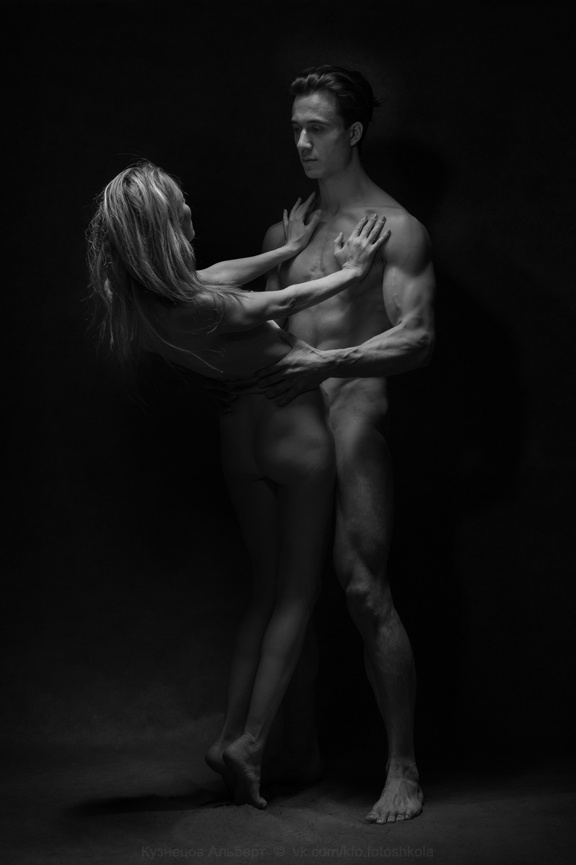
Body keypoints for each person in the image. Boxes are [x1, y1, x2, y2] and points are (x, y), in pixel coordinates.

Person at [86, 161, 390, 810]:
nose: (191, 216)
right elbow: (280, 303)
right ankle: (250, 743)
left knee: (263, 593)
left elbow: (218, 278)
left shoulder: (143, 300)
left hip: (239, 433)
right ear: (162, 229)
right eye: (182, 211)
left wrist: (285, 248)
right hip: (289, 424)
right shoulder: (204, 304)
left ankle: (227, 736)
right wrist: (353, 270)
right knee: (296, 594)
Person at [255, 66, 436, 824]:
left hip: (353, 419)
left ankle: (403, 766)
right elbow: (260, 327)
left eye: (318, 128)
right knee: (283, 593)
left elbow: (417, 337)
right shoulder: (286, 233)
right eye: (296, 128)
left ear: (353, 132)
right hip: (290, 427)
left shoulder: (397, 229)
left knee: (363, 590)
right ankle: (289, 749)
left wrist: (327, 362)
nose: (302, 142)